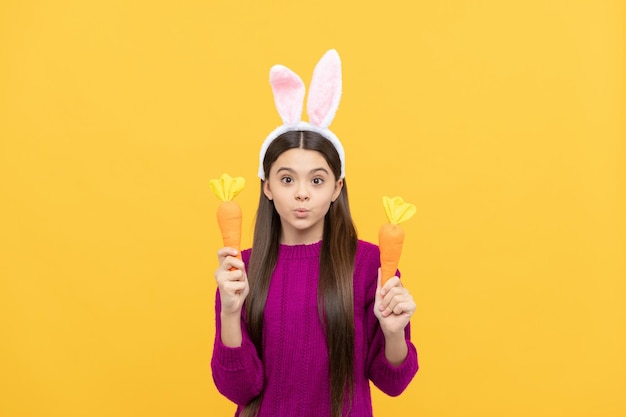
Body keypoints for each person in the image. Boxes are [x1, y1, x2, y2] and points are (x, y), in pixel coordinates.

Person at [211, 50, 419, 417]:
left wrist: (393, 333)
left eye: (317, 180)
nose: (302, 192)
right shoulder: (239, 272)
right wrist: (230, 313)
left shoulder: (371, 265)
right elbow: (240, 389)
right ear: (268, 188)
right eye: (287, 179)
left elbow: (392, 383)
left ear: (337, 188)